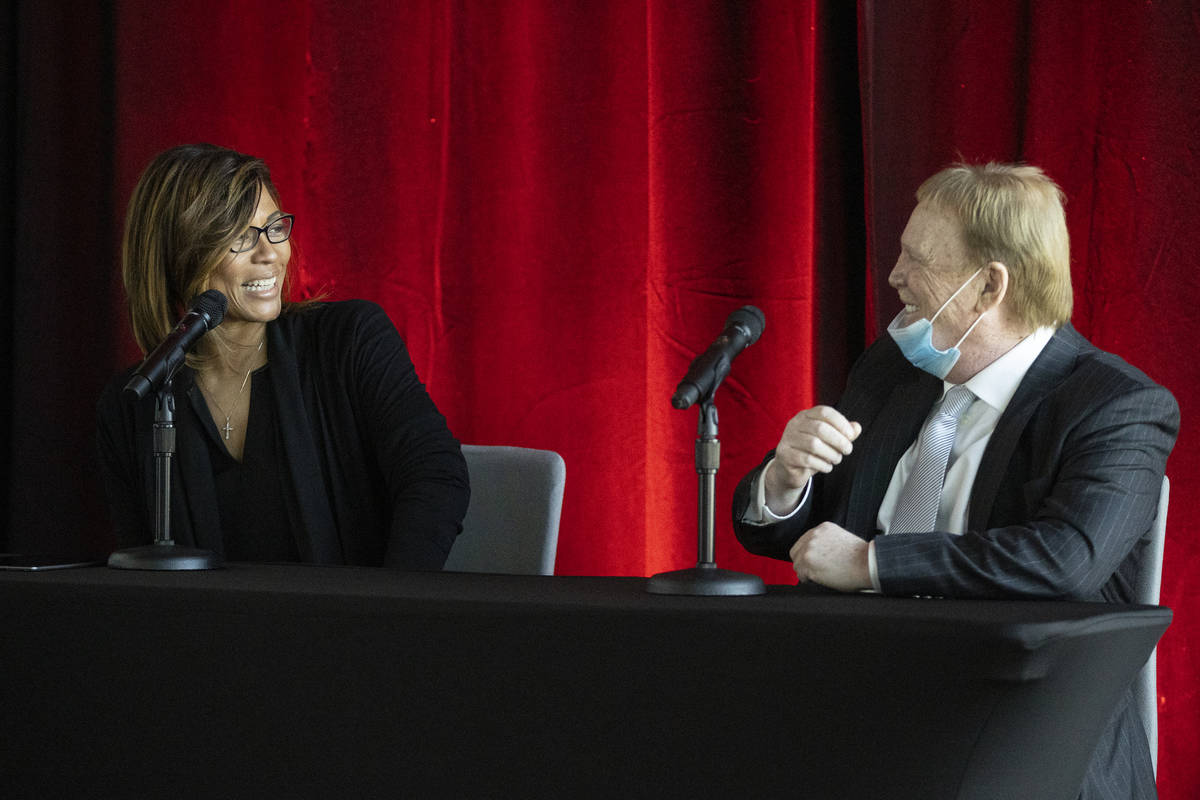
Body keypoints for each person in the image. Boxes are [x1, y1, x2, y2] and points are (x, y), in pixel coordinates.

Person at [732, 162, 1177, 799]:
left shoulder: (1114, 405)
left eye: (916, 259)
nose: (894, 276)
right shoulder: (891, 371)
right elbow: (810, 531)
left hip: (1020, 738)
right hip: (860, 715)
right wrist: (785, 479)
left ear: (989, 286)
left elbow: (1064, 561)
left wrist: (870, 562)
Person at [96, 143, 469, 568]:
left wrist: (389, 601)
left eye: (274, 226)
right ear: (177, 254)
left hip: (352, 610)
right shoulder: (131, 406)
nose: (271, 253)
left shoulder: (350, 339)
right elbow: (139, 577)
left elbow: (437, 475)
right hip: (212, 615)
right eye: (240, 237)